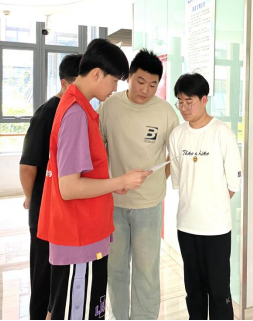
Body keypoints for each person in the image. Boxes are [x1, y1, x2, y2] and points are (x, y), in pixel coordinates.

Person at [37, 39, 152, 320]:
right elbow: (69, 187)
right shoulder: (76, 113)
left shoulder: (78, 107)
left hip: (84, 233)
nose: (115, 88)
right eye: (114, 81)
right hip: (79, 237)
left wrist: (114, 184)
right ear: (97, 74)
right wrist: (120, 181)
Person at [97, 49, 179, 320]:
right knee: (116, 268)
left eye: (153, 85)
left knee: (146, 270)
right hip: (113, 203)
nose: (146, 90)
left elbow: (174, 156)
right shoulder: (109, 106)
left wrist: (156, 182)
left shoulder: (166, 113)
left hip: (149, 205)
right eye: (140, 81)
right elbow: (98, 151)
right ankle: (119, 317)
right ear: (129, 77)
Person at [169, 73, 241, 320]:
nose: (184, 108)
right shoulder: (177, 135)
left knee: (219, 290)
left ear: (204, 100)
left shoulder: (222, 133)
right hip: (186, 226)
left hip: (216, 228)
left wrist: (213, 204)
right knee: (194, 290)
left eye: (189, 102)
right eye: (180, 102)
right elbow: (178, 179)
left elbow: (233, 183)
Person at [20, 53, 82, 320]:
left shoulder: (74, 111)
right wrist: (31, 199)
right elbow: (27, 167)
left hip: (63, 208)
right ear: (65, 83)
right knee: (43, 272)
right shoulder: (47, 113)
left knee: (58, 272)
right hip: (44, 208)